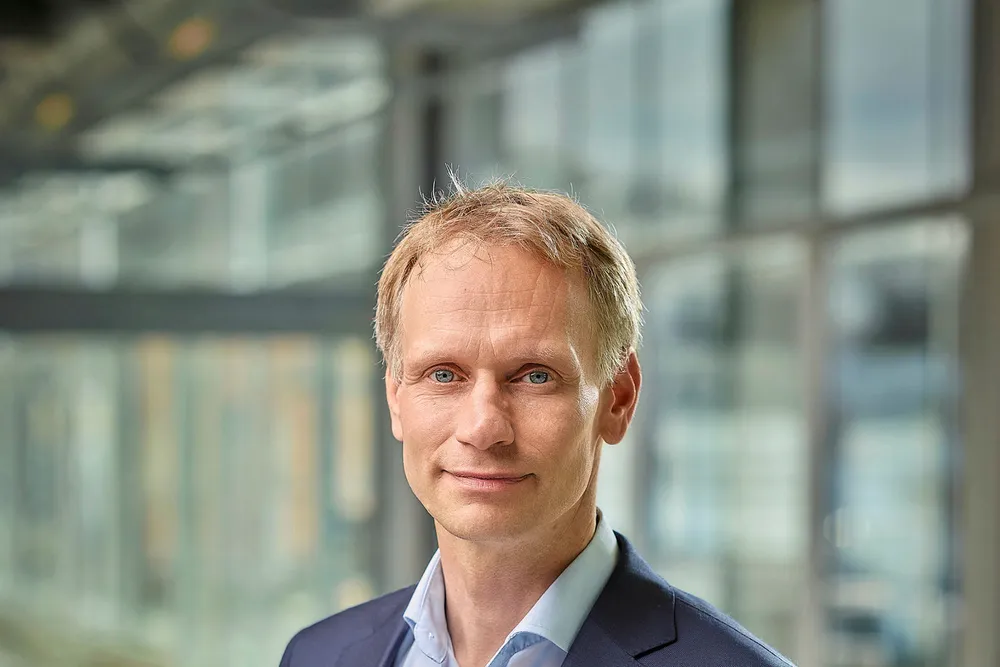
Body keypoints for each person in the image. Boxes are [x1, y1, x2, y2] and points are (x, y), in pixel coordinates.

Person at [278, 181, 795, 667]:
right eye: (443, 374)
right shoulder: (318, 655)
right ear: (396, 397)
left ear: (618, 399)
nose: (483, 428)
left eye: (535, 376)